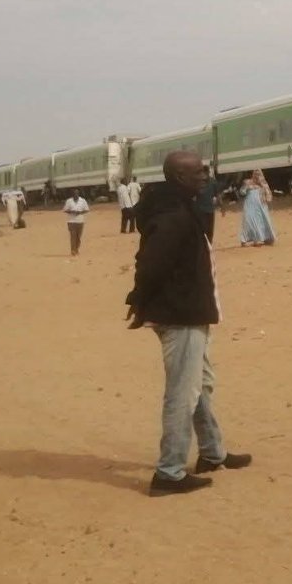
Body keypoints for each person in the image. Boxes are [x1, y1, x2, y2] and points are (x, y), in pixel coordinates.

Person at [126, 150, 251, 497]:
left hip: (192, 312)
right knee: (183, 392)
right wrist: (139, 301)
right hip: (179, 316)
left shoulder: (182, 207)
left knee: (200, 384)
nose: (205, 176)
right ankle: (169, 472)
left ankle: (212, 453)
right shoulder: (173, 216)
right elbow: (150, 264)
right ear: (180, 177)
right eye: (198, 172)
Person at [238, 170, 276, 246]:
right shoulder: (248, 182)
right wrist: (246, 186)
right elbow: (242, 192)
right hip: (249, 206)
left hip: (261, 207)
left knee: (262, 222)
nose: (257, 176)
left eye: (258, 174)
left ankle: (263, 238)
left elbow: (268, 196)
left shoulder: (263, 184)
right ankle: (245, 240)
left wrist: (266, 199)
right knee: (249, 221)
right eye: (255, 174)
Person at [63, 189, 90, 257]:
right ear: (72, 194)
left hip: (80, 221)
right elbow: (65, 210)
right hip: (71, 221)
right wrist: (72, 212)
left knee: (78, 237)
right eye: (74, 193)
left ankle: (76, 249)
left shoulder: (83, 201)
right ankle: (73, 250)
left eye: (77, 193)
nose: (76, 195)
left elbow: (87, 210)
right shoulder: (69, 201)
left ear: (78, 194)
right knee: (73, 236)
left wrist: (80, 212)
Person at [195, 165, 219, 242]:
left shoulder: (213, 182)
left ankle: (209, 246)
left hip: (210, 210)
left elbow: (217, 194)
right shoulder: (197, 183)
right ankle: (204, 246)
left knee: (210, 230)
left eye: (206, 173)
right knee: (203, 229)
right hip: (200, 210)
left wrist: (217, 201)